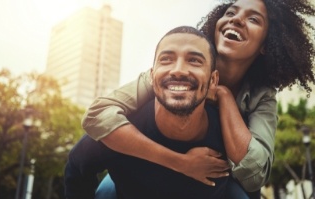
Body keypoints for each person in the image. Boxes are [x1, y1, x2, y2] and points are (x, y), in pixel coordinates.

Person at [83, 0, 315, 197]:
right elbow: (98, 115)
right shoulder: (171, 74)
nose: (236, 20)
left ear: (266, 45)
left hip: (215, 183)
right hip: (147, 167)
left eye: (254, 19)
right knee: (106, 192)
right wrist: (179, 162)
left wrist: (224, 97)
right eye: (230, 13)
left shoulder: (262, 97)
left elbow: (256, 174)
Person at [65, 26, 231, 199]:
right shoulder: (118, 131)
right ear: (151, 76)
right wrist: (181, 162)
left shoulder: (227, 133)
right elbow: (77, 166)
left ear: (213, 80)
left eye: (194, 60)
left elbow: (250, 182)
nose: (178, 70)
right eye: (166, 59)